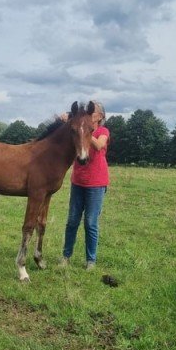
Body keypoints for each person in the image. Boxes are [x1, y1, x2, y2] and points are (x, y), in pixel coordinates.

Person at [60, 101, 110, 270]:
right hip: (78, 181)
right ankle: (66, 257)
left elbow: (99, 145)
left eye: (93, 112)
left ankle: (91, 260)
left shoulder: (103, 131)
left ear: (100, 116)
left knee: (90, 222)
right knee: (72, 221)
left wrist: (85, 130)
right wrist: (73, 123)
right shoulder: (81, 128)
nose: (89, 113)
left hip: (96, 183)